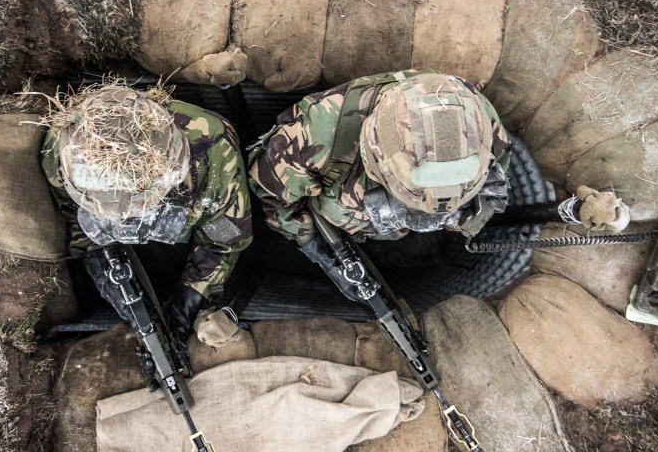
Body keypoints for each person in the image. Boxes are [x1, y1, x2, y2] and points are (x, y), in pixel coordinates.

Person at [248, 68, 627, 299]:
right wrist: (322, 253)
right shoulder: (313, 136)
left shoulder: (476, 123)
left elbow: (496, 180)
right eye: (412, 200)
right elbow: (271, 198)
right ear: (376, 155)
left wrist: (482, 211)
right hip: (343, 212)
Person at [41, 81, 253, 347]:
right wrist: (128, 305)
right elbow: (79, 228)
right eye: (113, 202)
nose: (128, 213)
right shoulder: (62, 152)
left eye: (137, 201)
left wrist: (184, 308)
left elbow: (224, 241)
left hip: (187, 233)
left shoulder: (214, 147)